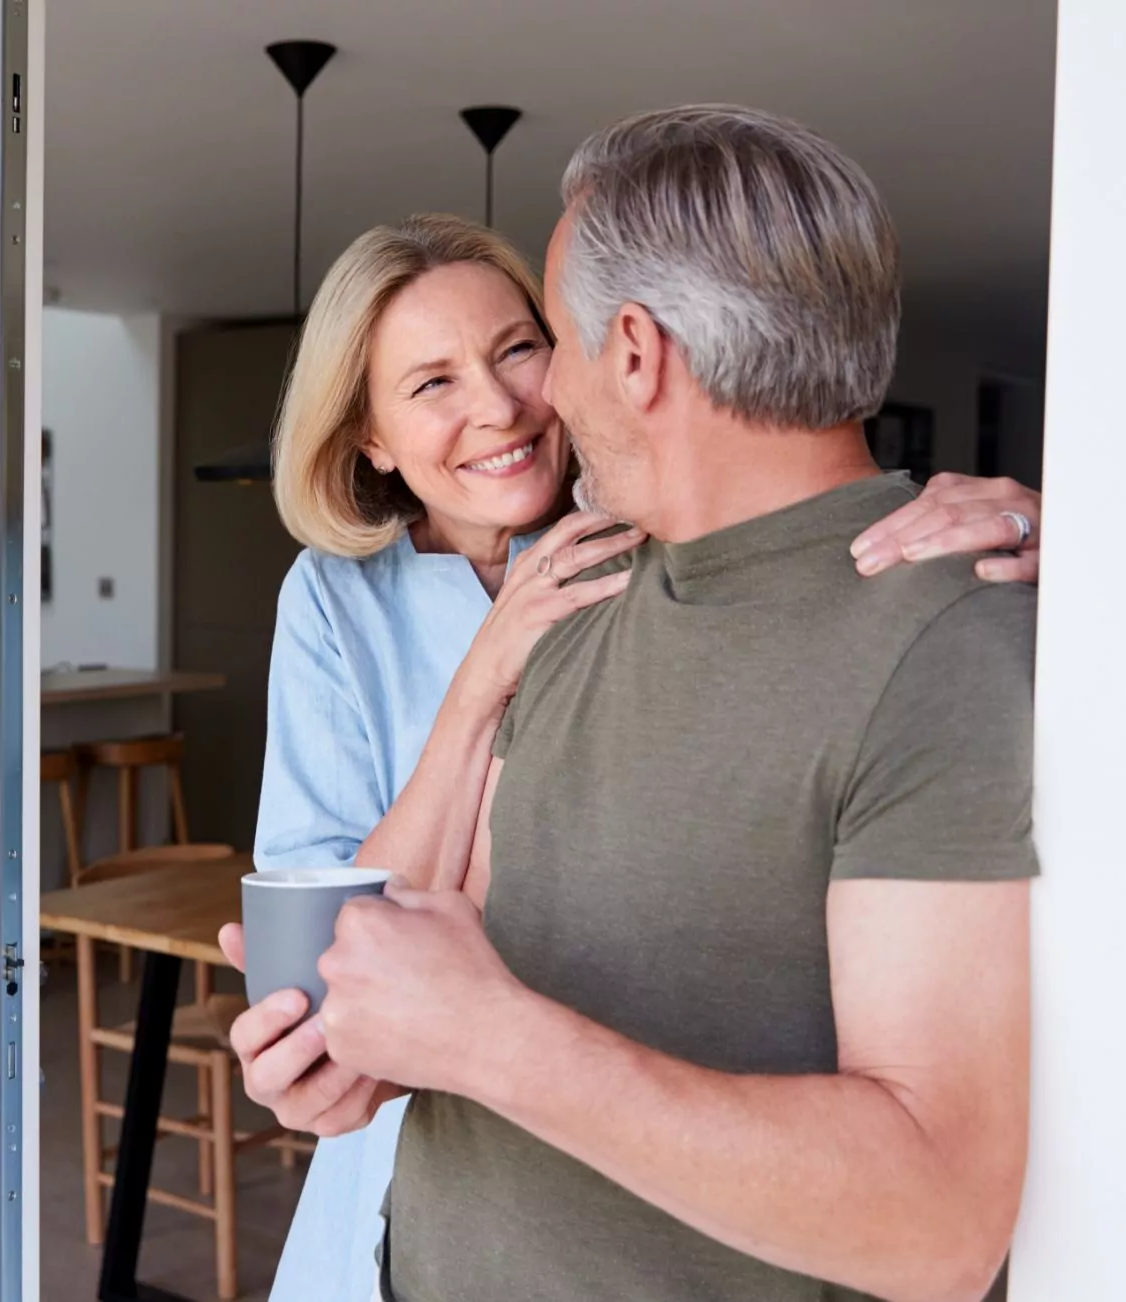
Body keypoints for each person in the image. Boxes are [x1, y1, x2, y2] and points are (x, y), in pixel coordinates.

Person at [234, 106, 1039, 1301]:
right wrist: (361, 1049)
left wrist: (483, 1037)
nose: (528, 399)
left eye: (536, 343)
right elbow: (449, 956)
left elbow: (938, 1222)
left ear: (631, 351)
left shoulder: (952, 631)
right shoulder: (582, 584)